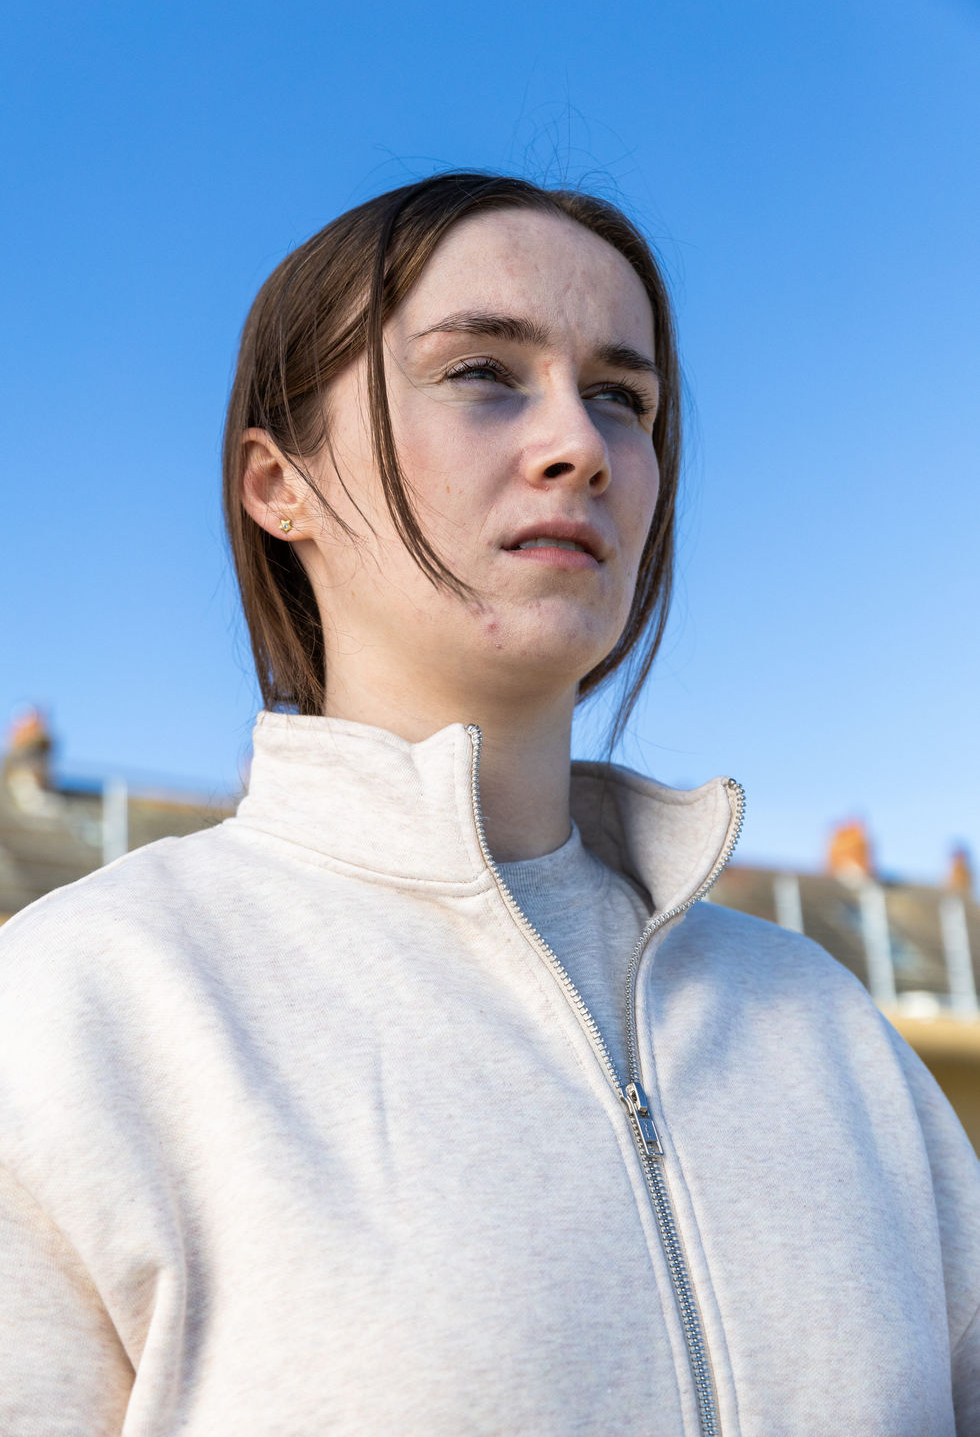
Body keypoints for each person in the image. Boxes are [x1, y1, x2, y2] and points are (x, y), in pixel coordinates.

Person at [0, 172, 977, 1437]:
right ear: (276, 485)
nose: (577, 443)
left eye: (623, 398)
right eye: (482, 373)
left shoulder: (825, 1031)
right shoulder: (83, 1010)